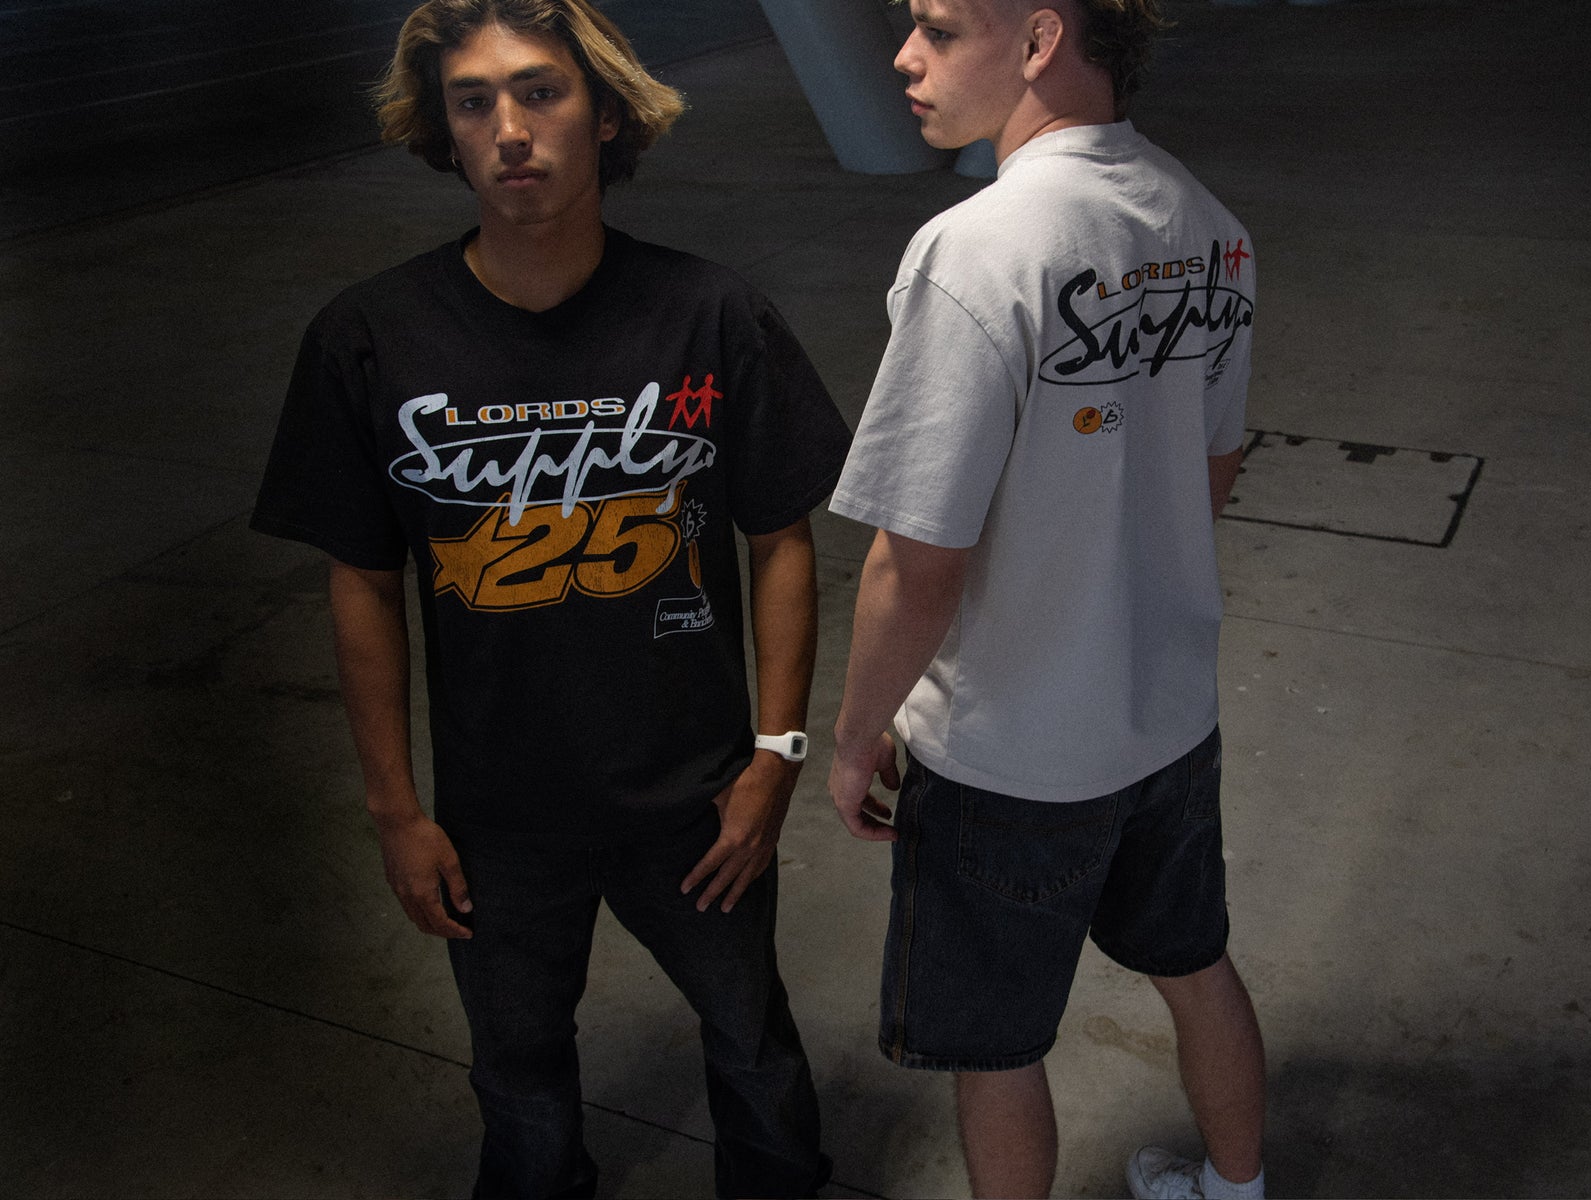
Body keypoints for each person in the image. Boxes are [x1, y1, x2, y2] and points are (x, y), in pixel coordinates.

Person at [251, 1, 849, 1195]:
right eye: (473, 101)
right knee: (518, 1074)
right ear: (444, 130)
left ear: (607, 113)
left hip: (694, 798)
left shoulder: (711, 314)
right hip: (497, 815)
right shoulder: (370, 337)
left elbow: (781, 538)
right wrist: (394, 811)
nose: (509, 129)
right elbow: (361, 580)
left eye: (541, 91)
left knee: (752, 1045)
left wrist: (776, 756)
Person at [824, 2, 1264, 1198]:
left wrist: (855, 738)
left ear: (1037, 39)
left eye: (936, 27)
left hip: (1010, 753)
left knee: (998, 1049)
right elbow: (1212, 466)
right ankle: (1237, 1188)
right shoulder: (1209, 227)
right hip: (1167, 715)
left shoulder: (977, 250)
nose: (903, 57)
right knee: (1197, 966)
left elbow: (918, 559)